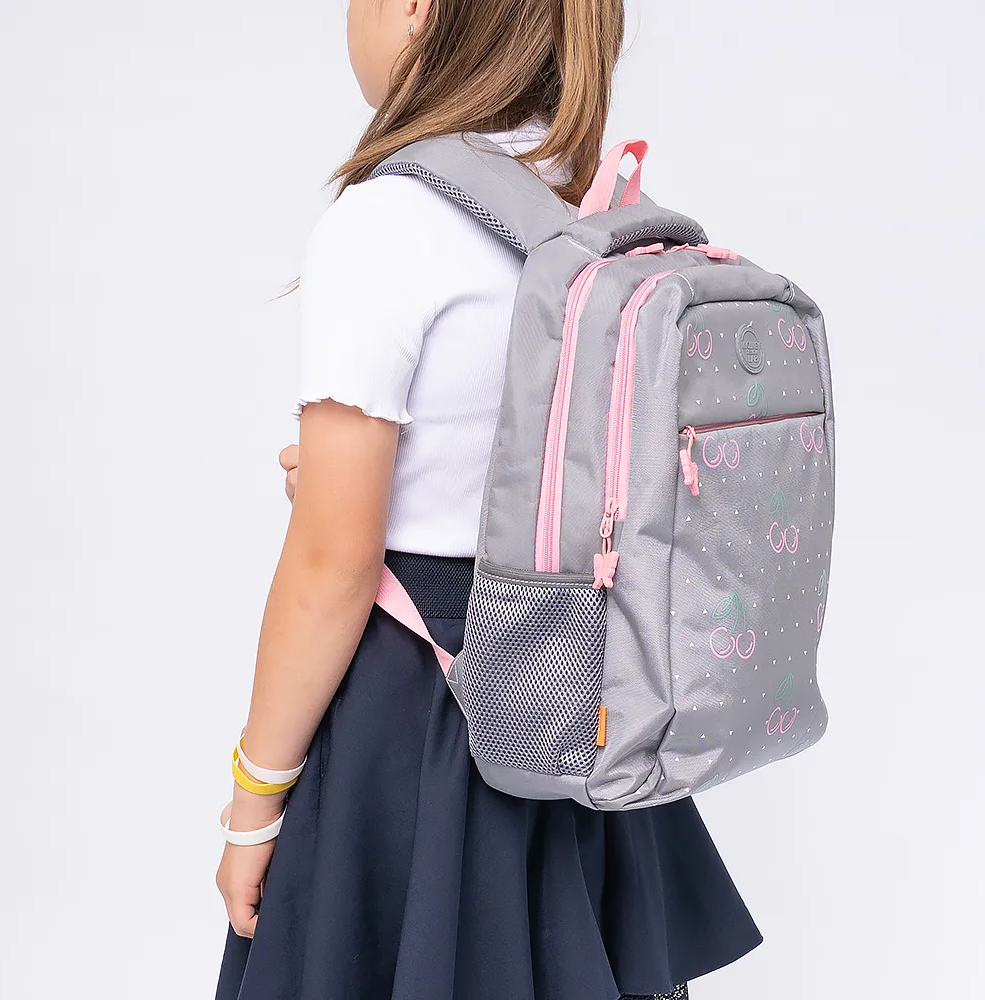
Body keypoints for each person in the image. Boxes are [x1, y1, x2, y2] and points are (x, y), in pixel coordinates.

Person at [214, 2, 763, 998]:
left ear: (418, 10)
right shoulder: (598, 206)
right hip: (590, 709)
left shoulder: (387, 221)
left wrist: (255, 799)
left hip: (425, 721)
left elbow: (332, 569)